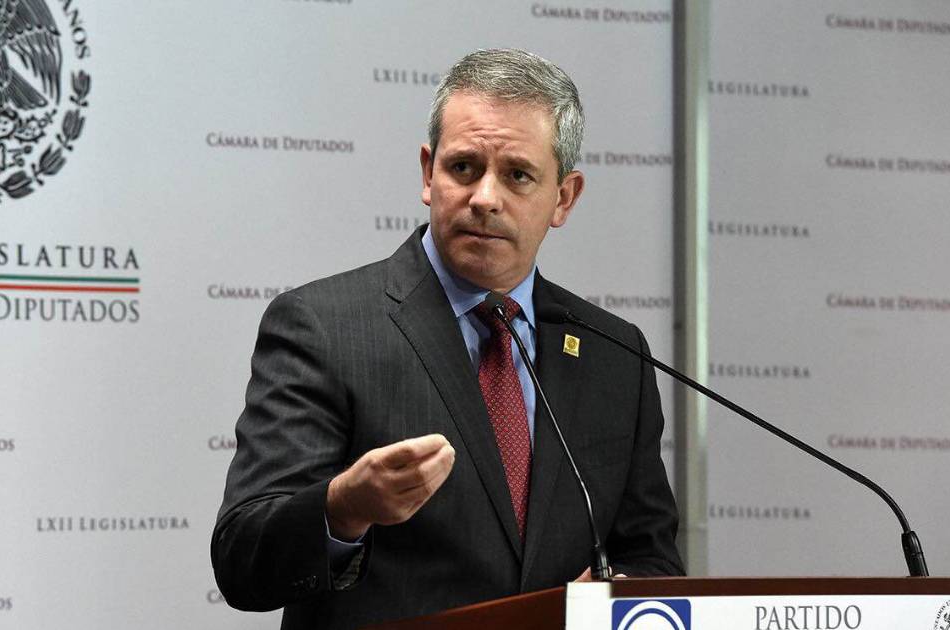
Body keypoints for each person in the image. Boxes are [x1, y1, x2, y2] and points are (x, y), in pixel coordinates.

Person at [211, 48, 682, 630]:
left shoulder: (614, 353)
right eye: (463, 167)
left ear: (564, 197)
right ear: (427, 174)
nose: (485, 197)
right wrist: (343, 509)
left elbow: (651, 558)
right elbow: (241, 558)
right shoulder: (323, 327)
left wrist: (616, 595)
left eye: (517, 175)